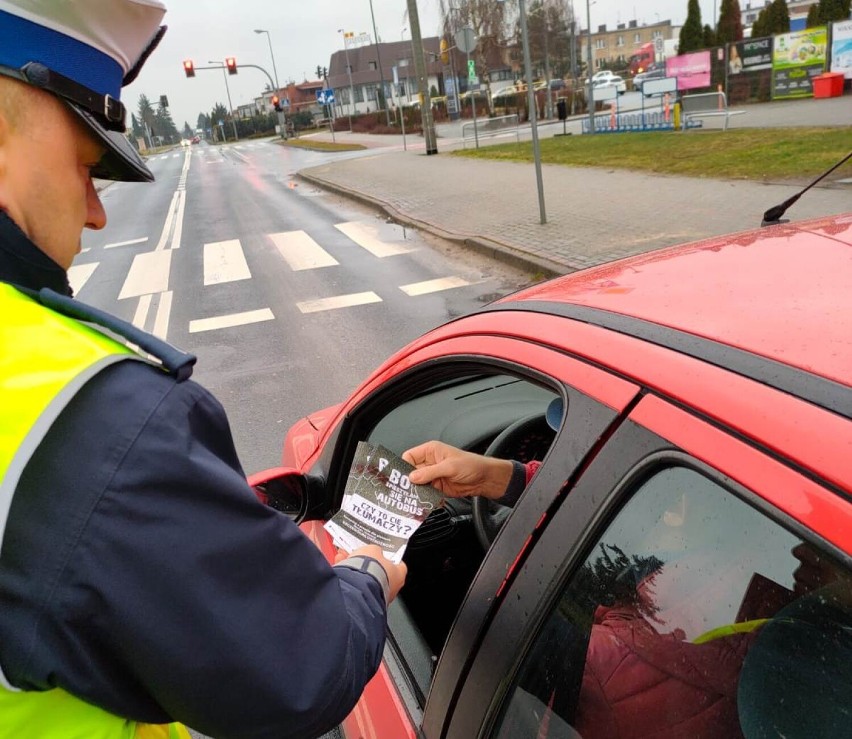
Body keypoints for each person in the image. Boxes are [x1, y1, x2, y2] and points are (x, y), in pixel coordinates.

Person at [0, 2, 405, 738]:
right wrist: (373, 574)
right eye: (87, 168)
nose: (95, 213)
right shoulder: (88, 424)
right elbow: (300, 663)